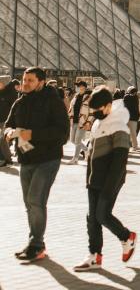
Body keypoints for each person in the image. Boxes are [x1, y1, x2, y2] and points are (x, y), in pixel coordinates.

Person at [4, 67, 70, 262]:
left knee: (35, 200)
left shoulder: (53, 102)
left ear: (41, 82)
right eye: (24, 80)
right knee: (29, 203)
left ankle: (37, 245)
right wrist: (8, 132)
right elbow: (8, 123)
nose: (25, 83)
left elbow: (62, 133)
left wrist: (32, 134)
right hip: (26, 158)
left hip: (48, 159)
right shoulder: (20, 102)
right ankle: (34, 242)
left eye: (30, 80)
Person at [73, 86, 137, 271]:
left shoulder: (119, 126)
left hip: (110, 180)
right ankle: (94, 256)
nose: (95, 113)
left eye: (98, 110)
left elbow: (120, 160)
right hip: (93, 179)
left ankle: (127, 237)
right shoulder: (98, 123)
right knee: (92, 218)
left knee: (102, 215)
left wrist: (110, 185)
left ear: (108, 105)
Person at [67, 83, 91, 165]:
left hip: (82, 122)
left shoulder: (88, 97)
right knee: (72, 140)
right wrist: (70, 117)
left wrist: (88, 122)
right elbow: (71, 108)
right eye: (78, 86)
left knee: (77, 140)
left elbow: (91, 111)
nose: (79, 88)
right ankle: (87, 150)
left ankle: (75, 159)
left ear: (84, 87)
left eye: (81, 86)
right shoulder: (75, 97)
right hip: (73, 121)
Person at [0, 78, 17, 167]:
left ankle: (7, 159)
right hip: (1, 119)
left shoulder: (11, 93)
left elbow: (14, 108)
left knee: (2, 140)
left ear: (4, 83)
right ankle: (4, 159)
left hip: (6, 121)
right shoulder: (1, 92)